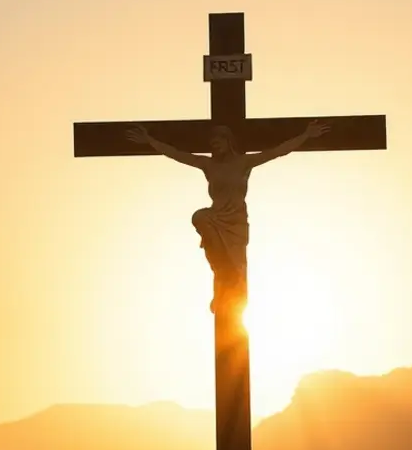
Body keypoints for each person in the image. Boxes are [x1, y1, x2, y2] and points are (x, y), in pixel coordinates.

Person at [124, 120, 330, 312]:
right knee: (202, 222)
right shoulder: (208, 165)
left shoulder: (244, 162)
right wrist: (150, 141)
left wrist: (306, 135)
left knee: (236, 266)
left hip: (236, 222)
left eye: (218, 141)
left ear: (229, 142)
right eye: (212, 143)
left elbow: (277, 151)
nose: (215, 146)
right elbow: (177, 154)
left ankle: (232, 298)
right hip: (216, 218)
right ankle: (222, 287)